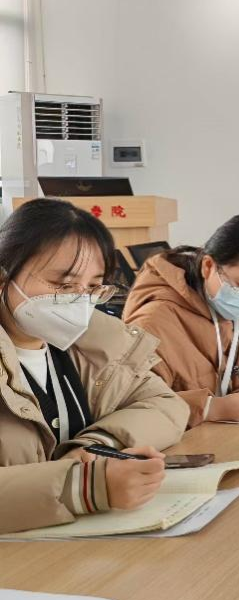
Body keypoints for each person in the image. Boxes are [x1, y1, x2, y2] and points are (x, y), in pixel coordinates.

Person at [0, 199, 186, 534]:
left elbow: (164, 403)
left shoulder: (87, 345)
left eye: (91, 287)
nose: (79, 301)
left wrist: (98, 445)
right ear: (3, 277)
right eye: (63, 285)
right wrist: (84, 486)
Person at [124, 215, 239, 427]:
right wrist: (210, 408)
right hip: (182, 440)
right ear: (208, 267)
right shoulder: (153, 323)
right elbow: (132, 403)